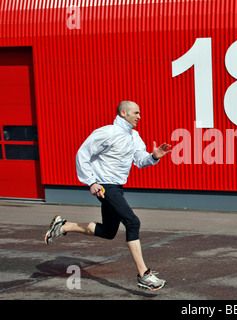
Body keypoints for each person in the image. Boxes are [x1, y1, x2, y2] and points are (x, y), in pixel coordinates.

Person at [44, 101, 172, 291]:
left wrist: (153, 157)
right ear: (123, 113)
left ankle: (64, 226)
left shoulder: (134, 136)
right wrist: (91, 182)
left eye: (139, 113)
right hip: (104, 186)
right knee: (132, 222)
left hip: (117, 187)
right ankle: (144, 275)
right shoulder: (106, 132)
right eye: (136, 113)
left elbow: (139, 160)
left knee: (108, 231)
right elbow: (82, 154)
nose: (139, 117)